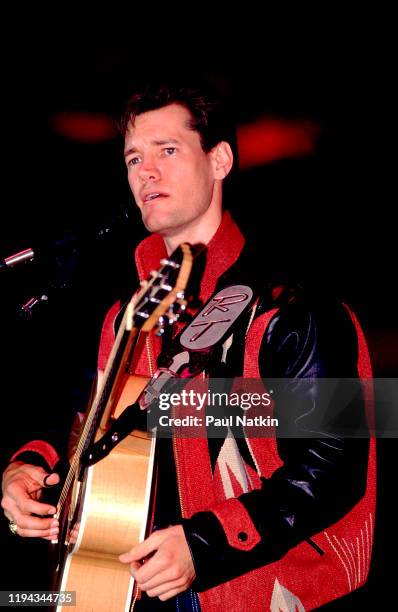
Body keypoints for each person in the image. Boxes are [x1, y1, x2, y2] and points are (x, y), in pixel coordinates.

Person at [1, 81, 376, 611]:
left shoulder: (294, 306)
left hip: (256, 591)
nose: (145, 171)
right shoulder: (124, 320)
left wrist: (204, 545)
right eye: (134, 157)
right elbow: (81, 426)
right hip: (125, 590)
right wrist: (27, 469)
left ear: (219, 160)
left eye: (167, 151)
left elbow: (335, 466)